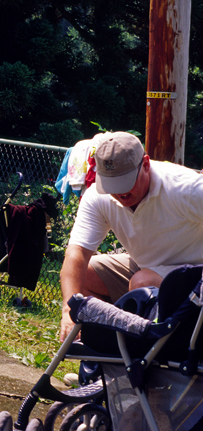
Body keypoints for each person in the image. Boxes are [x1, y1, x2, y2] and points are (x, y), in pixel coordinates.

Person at [59, 131, 203, 342]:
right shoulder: (97, 196)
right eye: (111, 184)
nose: (120, 193)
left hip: (194, 276)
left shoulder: (184, 187)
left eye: (126, 182)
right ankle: (103, 360)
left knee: (142, 284)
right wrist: (68, 310)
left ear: (145, 164)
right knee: (85, 276)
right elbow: (77, 253)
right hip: (144, 265)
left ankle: (143, 362)